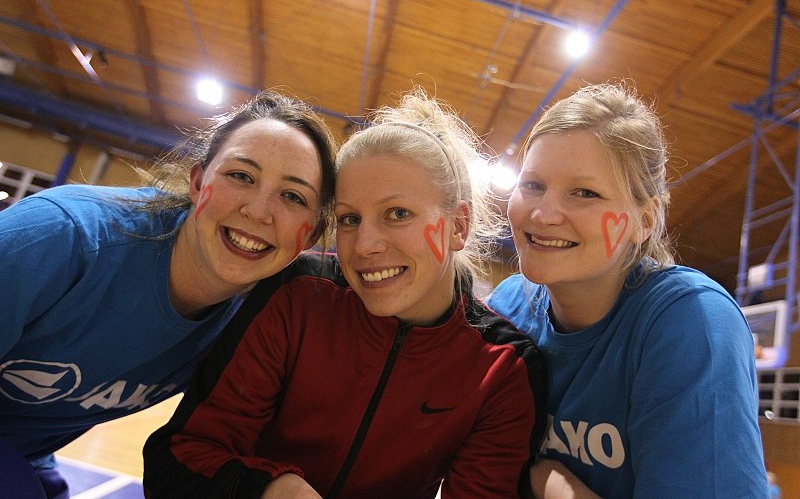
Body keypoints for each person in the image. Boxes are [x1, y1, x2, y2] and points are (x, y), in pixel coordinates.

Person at [142, 88, 548, 498]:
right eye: (350, 219)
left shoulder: (503, 368)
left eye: (397, 214)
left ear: (458, 225)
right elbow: (179, 459)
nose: (364, 246)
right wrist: (273, 488)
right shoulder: (298, 296)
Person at [0, 90, 338, 499]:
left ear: (312, 236)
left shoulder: (256, 325)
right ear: (197, 182)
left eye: (293, 197)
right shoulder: (59, 237)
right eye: (241, 176)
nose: (258, 211)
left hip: (30, 455)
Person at [486, 82, 769, 498]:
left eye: (585, 193)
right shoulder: (507, 308)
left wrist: (547, 480)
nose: (543, 214)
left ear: (645, 220)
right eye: (532, 184)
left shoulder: (692, 321)